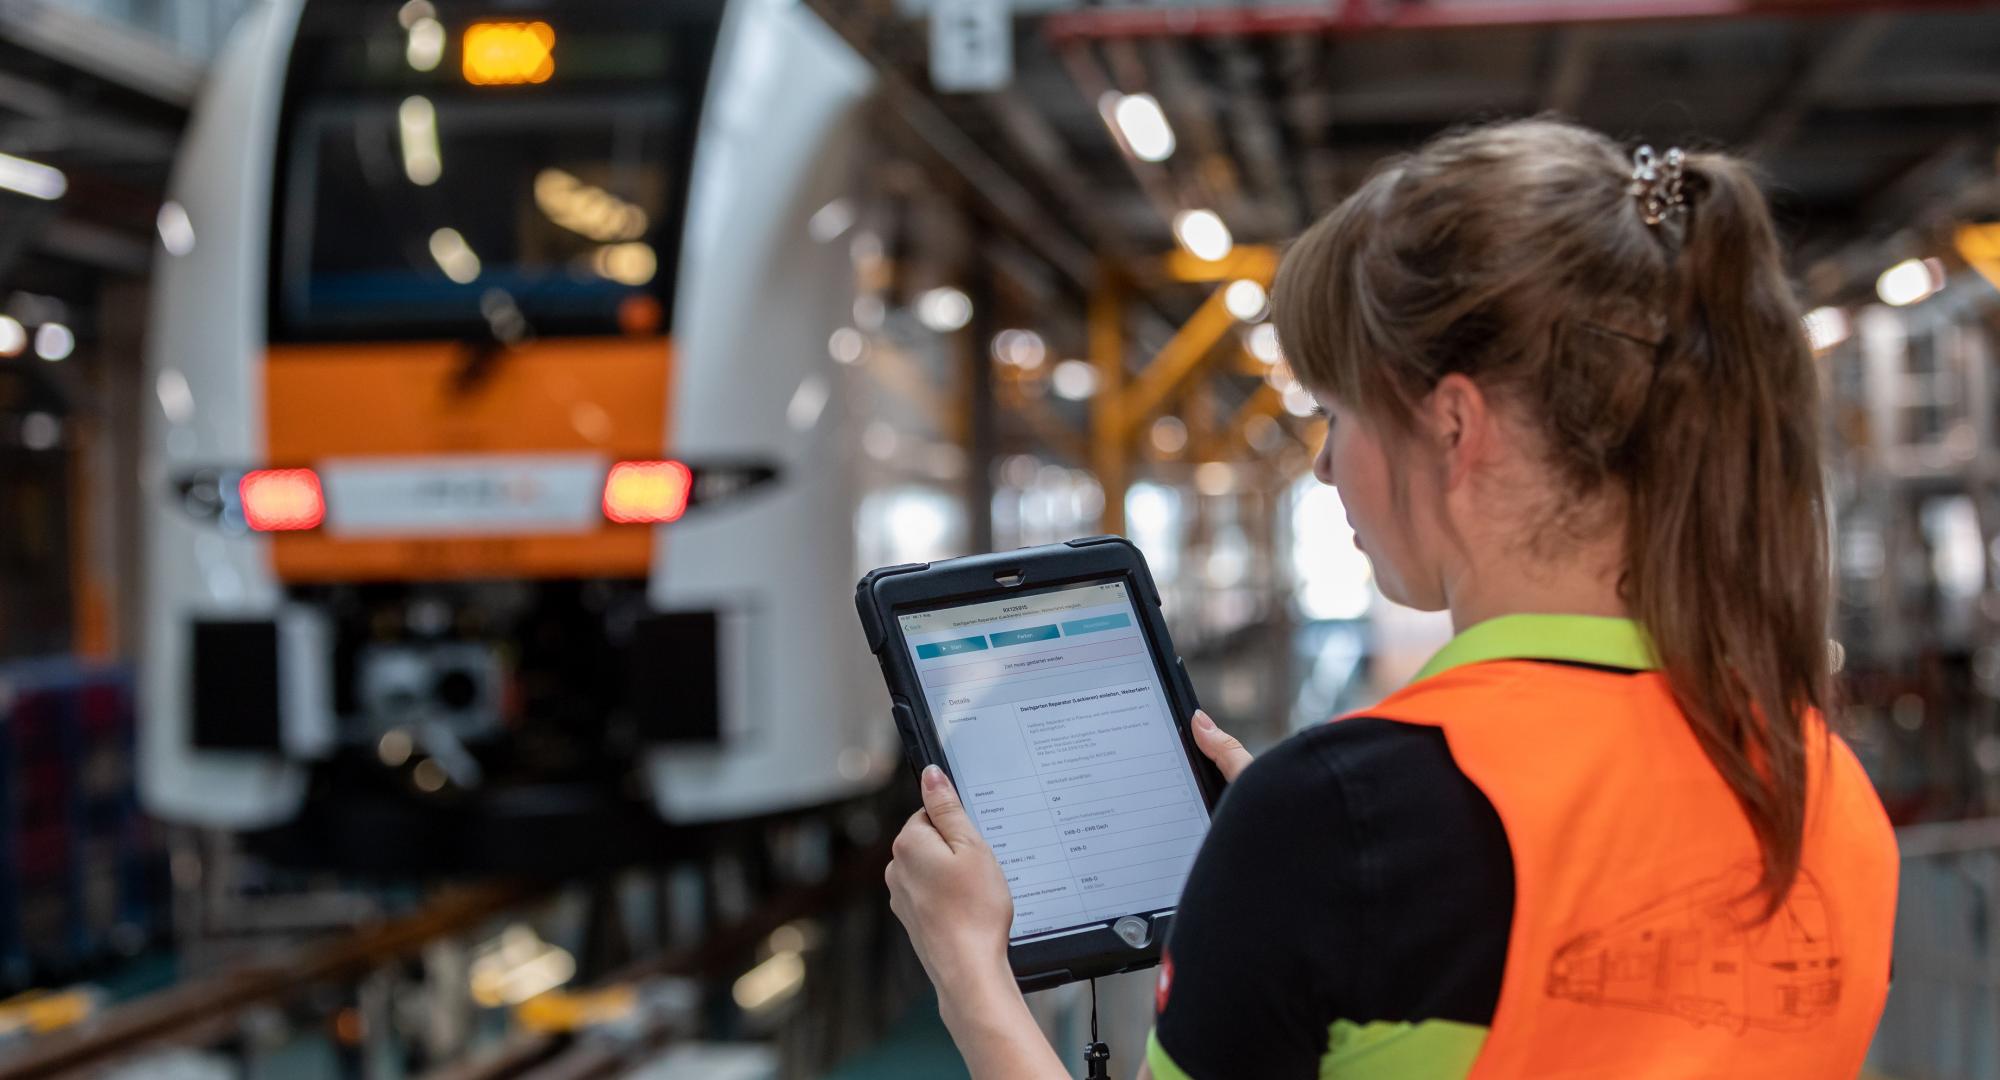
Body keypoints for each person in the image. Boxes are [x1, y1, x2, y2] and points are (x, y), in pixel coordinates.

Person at [883, 118, 1899, 1079]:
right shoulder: (1818, 785)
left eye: (1336, 413)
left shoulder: (1343, 820)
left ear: (1453, 426)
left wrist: (971, 970)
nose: (1325, 467)